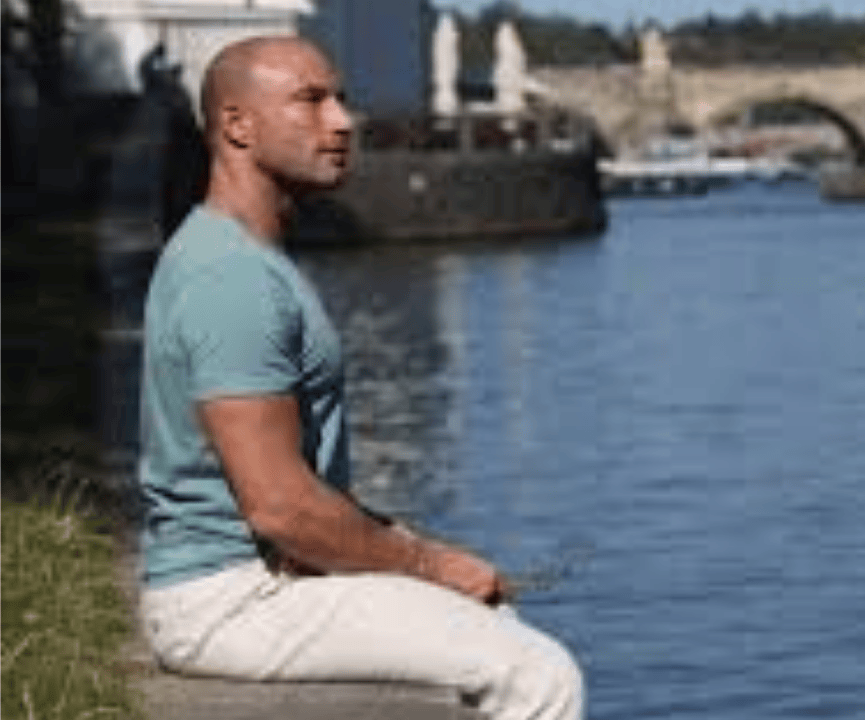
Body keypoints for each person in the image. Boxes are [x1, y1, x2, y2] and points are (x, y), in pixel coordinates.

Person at [136, 35, 584, 720]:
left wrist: (415, 549)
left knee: (495, 624)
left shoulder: (239, 255)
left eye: (341, 99)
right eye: (310, 102)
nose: (342, 121)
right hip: (229, 599)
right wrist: (432, 567)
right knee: (542, 676)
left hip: (248, 581)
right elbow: (279, 508)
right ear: (236, 125)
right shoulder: (232, 279)